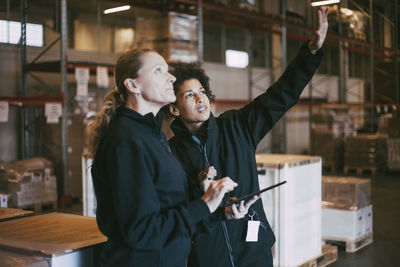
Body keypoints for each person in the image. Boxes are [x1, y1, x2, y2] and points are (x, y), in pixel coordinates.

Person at [166, 7, 329, 267]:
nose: (200, 99)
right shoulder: (171, 152)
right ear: (174, 108)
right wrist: (199, 188)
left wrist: (310, 53)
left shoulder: (237, 126)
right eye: (189, 95)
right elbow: (175, 209)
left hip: (253, 251)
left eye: (201, 91)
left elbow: (280, 96)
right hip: (209, 258)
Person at [87, 47, 242, 267]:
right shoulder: (127, 140)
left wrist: (219, 213)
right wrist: (205, 204)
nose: (171, 78)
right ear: (133, 85)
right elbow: (142, 231)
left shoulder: (152, 135)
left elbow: (170, 215)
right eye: (159, 71)